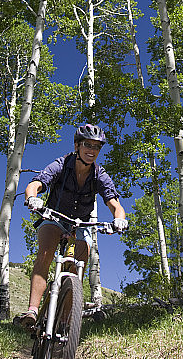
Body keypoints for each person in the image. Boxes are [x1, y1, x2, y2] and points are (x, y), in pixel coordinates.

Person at [15, 123, 127, 328]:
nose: (92, 150)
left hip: (81, 224)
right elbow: (36, 184)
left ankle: (67, 319)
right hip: (54, 217)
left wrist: (119, 219)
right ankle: (32, 310)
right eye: (87, 145)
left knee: (79, 264)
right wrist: (32, 198)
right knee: (45, 253)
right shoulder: (62, 164)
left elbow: (115, 204)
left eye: (97, 147)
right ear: (77, 146)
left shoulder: (99, 174)